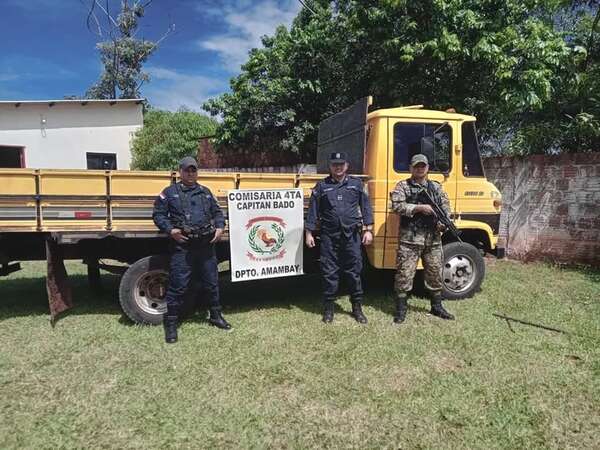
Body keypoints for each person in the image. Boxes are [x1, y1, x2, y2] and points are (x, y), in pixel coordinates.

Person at [152, 156, 231, 343]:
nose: (190, 173)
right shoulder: (169, 193)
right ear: (180, 171)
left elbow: (218, 213)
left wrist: (220, 228)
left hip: (205, 247)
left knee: (212, 283)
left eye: (193, 170)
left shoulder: (205, 192)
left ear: (197, 172)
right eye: (187, 170)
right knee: (178, 286)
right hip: (183, 247)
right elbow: (158, 215)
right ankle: (171, 323)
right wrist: (171, 230)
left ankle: (215, 315)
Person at [305, 151, 374, 324]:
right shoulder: (321, 186)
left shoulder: (356, 184)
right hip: (329, 237)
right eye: (335, 164)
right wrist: (309, 233)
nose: (338, 167)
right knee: (329, 273)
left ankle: (357, 308)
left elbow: (366, 207)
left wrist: (368, 229)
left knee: (354, 272)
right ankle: (329, 309)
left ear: (347, 166)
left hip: (352, 236)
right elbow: (313, 211)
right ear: (330, 166)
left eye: (341, 164)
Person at [389, 154, 455, 324]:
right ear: (411, 168)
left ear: (427, 168)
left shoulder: (436, 187)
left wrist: (444, 222)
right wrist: (418, 208)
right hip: (409, 240)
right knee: (404, 275)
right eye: (416, 166)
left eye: (423, 166)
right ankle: (401, 310)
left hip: (432, 239)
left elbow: (445, 207)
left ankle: (437, 307)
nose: (420, 169)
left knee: (435, 274)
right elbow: (396, 206)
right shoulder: (403, 186)